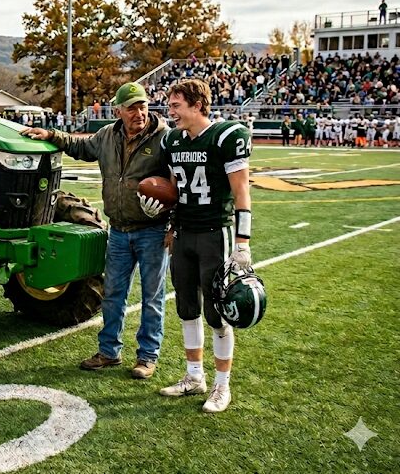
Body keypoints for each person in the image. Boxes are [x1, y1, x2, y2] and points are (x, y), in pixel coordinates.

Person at [22, 81, 171, 379]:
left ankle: (147, 357)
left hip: (152, 231)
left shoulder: (164, 138)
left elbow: (179, 181)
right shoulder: (107, 136)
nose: (139, 113)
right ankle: (109, 351)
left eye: (142, 106)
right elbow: (80, 146)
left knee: (152, 297)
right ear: (118, 111)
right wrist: (51, 135)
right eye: (131, 108)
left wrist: (172, 222)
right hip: (119, 231)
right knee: (113, 294)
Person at [146, 78, 253, 414]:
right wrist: (167, 220)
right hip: (184, 233)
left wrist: (243, 241)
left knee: (217, 313)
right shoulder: (172, 140)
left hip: (214, 233)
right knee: (187, 307)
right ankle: (194, 376)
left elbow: (241, 191)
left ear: (197, 105)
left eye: (176, 105)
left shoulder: (225, 136)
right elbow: (174, 188)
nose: (171, 112)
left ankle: (222, 385)